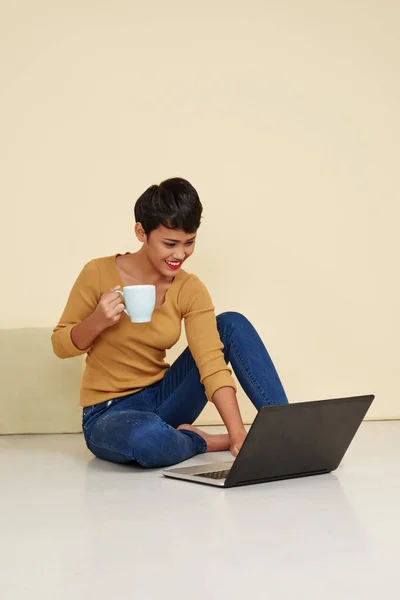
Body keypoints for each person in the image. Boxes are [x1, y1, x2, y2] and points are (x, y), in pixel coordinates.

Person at [51, 177, 288, 468]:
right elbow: (60, 346)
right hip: (108, 413)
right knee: (148, 439)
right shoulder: (98, 272)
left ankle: (286, 431)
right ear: (141, 232)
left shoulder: (190, 288)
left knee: (230, 324)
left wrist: (238, 434)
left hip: (163, 397)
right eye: (169, 243)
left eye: (189, 243)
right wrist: (97, 321)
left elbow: (211, 362)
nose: (180, 254)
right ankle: (204, 441)